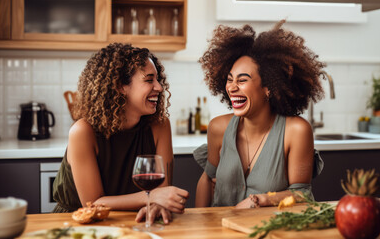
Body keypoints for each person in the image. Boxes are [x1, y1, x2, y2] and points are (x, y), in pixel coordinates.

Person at [52, 43, 189, 224]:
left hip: (133, 221)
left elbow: (161, 193)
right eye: (149, 80)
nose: (159, 87)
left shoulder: (160, 126)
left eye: (158, 80)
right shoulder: (82, 132)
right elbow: (92, 203)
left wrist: (157, 204)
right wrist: (151, 197)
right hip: (77, 223)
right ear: (120, 86)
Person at [195, 20, 325, 208]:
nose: (232, 87)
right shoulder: (218, 128)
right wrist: (201, 226)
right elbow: (207, 179)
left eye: (242, 80)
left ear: (268, 88)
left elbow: (301, 195)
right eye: (230, 79)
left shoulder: (296, 131)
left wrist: (259, 200)